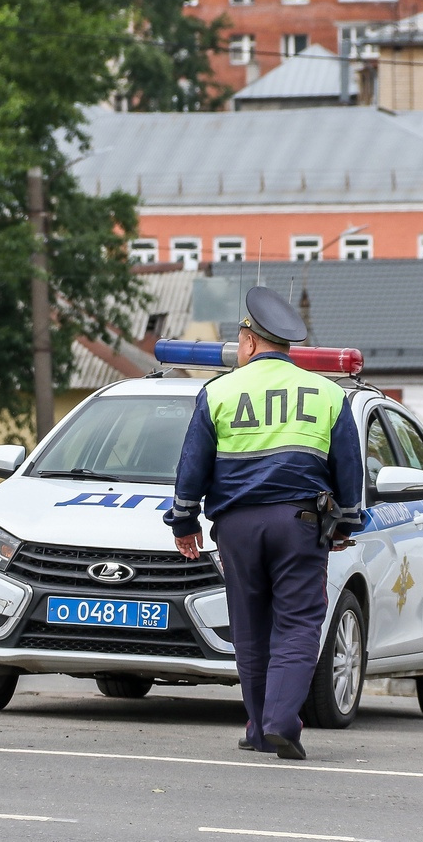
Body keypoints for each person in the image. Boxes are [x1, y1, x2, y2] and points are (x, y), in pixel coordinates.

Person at [164, 286, 363, 760]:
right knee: (297, 625)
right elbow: (349, 469)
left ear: (250, 342)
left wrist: (183, 522)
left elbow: (192, 465)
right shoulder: (329, 394)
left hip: (236, 527)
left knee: (250, 629)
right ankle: (278, 722)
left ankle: (258, 728)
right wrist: (344, 524)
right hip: (298, 524)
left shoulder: (218, 392)